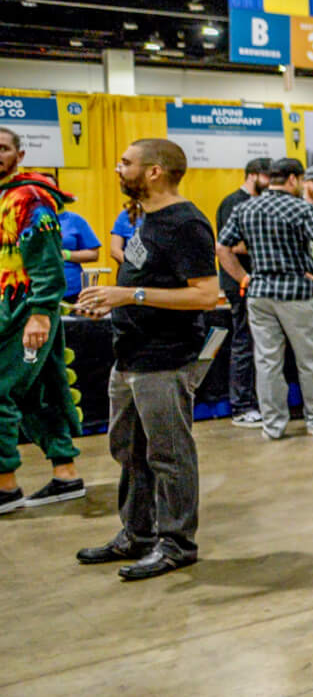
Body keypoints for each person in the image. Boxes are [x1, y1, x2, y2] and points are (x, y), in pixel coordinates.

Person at [71, 140, 220, 578]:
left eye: (126, 162)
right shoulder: (145, 219)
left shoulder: (186, 223)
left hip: (165, 359)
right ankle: (137, 534)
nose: (119, 168)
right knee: (129, 450)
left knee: (169, 454)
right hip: (130, 355)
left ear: (154, 171)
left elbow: (206, 295)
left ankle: (176, 543)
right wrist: (110, 303)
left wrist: (128, 294)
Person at [215, 157, 313, 440]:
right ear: (292, 179)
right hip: (297, 292)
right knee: (309, 359)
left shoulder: (245, 208)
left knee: (266, 362)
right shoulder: (301, 208)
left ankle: (273, 425)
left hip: (259, 293)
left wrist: (242, 278)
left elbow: (222, 247)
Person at [0, 127, 86, 514]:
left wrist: (40, 313)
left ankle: (5, 486)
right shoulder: (4, 197)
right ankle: (65, 474)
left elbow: (49, 264)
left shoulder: (29, 198)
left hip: (26, 306)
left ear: (20, 154)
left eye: (2, 148)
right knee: (40, 391)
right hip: (13, 303)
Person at [216, 157, 270, 426]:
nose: (272, 183)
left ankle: (259, 401)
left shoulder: (262, 203)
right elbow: (230, 245)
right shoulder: (233, 203)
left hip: (259, 281)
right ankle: (241, 406)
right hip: (240, 281)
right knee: (245, 342)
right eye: (268, 177)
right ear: (253, 175)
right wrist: (271, 246)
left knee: (261, 343)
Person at [56, 202, 100, 302]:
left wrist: (66, 255)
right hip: (37, 289)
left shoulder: (74, 220)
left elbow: (94, 254)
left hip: (72, 290)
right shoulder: (28, 220)